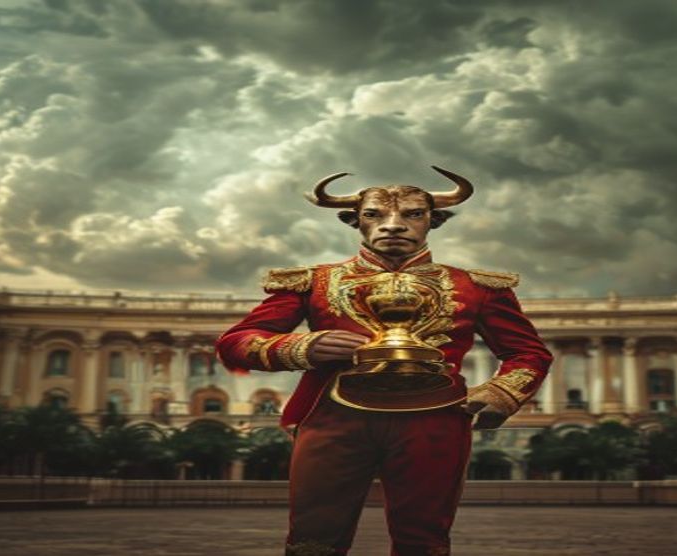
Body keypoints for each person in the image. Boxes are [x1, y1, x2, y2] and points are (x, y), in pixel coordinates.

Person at [215, 166, 553, 556]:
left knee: (423, 540)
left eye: (413, 214)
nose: (393, 225)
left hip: (435, 419)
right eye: (375, 215)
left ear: (433, 221)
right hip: (334, 417)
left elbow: (528, 352)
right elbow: (235, 342)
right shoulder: (313, 282)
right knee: (313, 537)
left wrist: (502, 392)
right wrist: (301, 347)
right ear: (355, 221)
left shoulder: (477, 287)